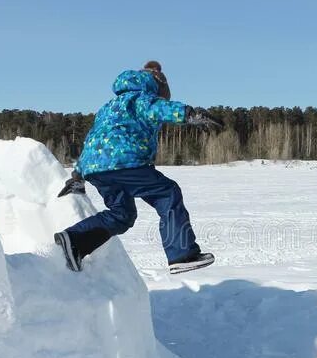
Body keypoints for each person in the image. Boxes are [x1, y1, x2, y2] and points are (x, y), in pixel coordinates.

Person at [54, 60, 218, 274]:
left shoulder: (108, 108)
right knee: (168, 193)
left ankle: (74, 240)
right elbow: (160, 108)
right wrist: (190, 114)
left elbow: (93, 140)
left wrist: (78, 174)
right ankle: (182, 254)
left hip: (97, 170)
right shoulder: (141, 98)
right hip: (126, 163)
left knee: (122, 214)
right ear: (155, 85)